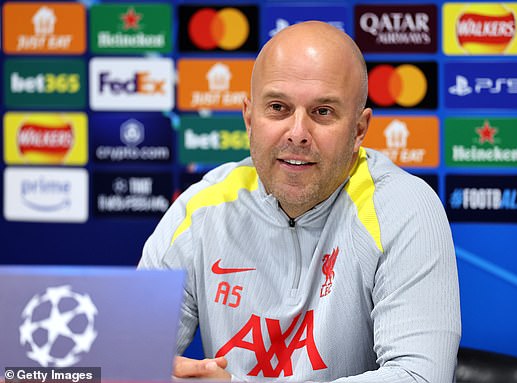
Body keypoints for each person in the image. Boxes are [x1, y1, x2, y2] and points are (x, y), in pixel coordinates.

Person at [138, 21, 461, 382]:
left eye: (323, 112)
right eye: (278, 107)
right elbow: (124, 356)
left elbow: (420, 377)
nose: (297, 133)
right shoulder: (199, 209)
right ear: (249, 119)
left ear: (359, 130)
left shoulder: (403, 208)